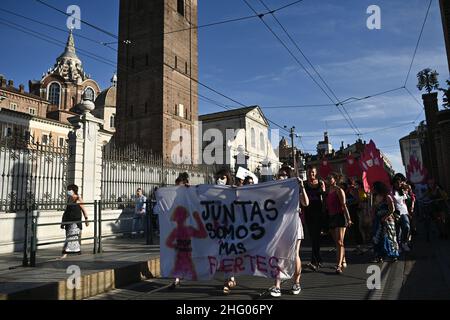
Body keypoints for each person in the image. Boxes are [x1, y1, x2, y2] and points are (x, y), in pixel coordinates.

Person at [269, 166, 309, 297]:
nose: (282, 176)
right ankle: (277, 285)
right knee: (278, 255)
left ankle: (296, 282)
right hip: (279, 225)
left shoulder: (295, 188)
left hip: (293, 224)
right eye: (280, 174)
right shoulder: (275, 190)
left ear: (289, 176)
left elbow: (306, 203)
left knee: (295, 254)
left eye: (285, 174)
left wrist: (301, 186)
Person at [325, 173, 352, 274]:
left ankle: (338, 265)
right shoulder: (328, 191)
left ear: (335, 179)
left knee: (340, 242)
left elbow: (344, 205)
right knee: (337, 242)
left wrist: (348, 218)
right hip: (331, 217)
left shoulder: (339, 190)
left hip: (340, 217)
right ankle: (343, 259)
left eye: (330, 178)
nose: (328, 180)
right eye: (327, 179)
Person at [169, 172, 190, 289]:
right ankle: (177, 278)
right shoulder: (175, 197)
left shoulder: (192, 194)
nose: (177, 189)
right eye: (176, 186)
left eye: (180, 186)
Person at [303, 165, 325, 271]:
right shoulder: (304, 184)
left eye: (312, 172)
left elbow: (324, 198)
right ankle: (318, 259)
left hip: (318, 213)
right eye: (309, 172)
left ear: (315, 173)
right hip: (308, 213)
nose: (311, 174)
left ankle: (315, 261)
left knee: (316, 237)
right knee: (312, 238)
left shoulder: (320, 183)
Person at [371, 181, 399, 262]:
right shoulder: (375, 197)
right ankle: (379, 256)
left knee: (390, 237)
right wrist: (372, 216)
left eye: (374, 187)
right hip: (378, 221)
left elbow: (392, 209)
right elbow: (374, 208)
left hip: (388, 221)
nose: (373, 189)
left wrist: (385, 217)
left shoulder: (387, 197)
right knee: (378, 238)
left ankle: (393, 255)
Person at [61, 184, 89, 259]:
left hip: (75, 222)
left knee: (71, 236)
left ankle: (65, 254)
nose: (68, 191)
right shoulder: (69, 199)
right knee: (69, 236)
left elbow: (83, 210)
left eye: (69, 190)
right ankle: (77, 251)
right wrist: (63, 221)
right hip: (68, 221)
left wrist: (86, 219)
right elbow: (66, 211)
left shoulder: (79, 199)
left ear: (73, 190)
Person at [392, 173, 411, 252]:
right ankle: (398, 246)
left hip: (404, 211)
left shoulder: (402, 190)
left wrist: (408, 192)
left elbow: (407, 200)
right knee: (397, 230)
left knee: (407, 227)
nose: (399, 184)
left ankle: (404, 243)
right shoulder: (391, 191)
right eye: (397, 183)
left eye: (400, 183)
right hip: (395, 212)